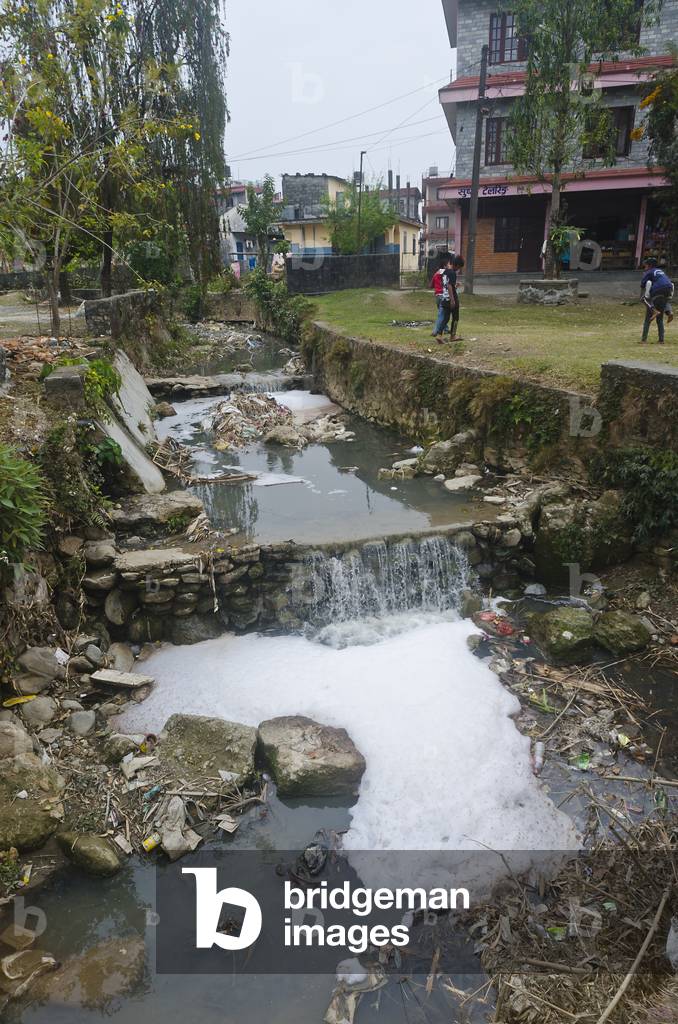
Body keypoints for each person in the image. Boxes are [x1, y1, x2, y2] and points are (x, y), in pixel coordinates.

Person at [640, 256, 674, 345]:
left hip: (658, 289)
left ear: (650, 266)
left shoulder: (649, 272)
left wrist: (645, 276)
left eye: (646, 266)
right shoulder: (661, 272)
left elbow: (643, 284)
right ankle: (661, 340)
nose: (645, 267)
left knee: (644, 300)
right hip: (669, 288)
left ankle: (643, 340)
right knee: (660, 318)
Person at [432, 255, 464, 343]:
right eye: (459, 267)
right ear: (457, 265)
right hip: (451, 298)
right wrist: (453, 300)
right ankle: (453, 336)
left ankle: (439, 335)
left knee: (445, 318)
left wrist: (455, 286)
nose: (458, 269)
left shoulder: (445, 272)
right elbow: (450, 286)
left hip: (444, 298)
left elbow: (447, 285)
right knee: (455, 318)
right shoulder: (452, 273)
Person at [430, 253, 454, 337]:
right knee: (442, 314)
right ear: (445, 265)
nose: (450, 265)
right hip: (443, 296)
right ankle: (435, 331)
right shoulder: (445, 272)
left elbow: (430, 285)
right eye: (449, 264)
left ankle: (446, 329)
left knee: (443, 313)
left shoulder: (436, 274)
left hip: (437, 296)